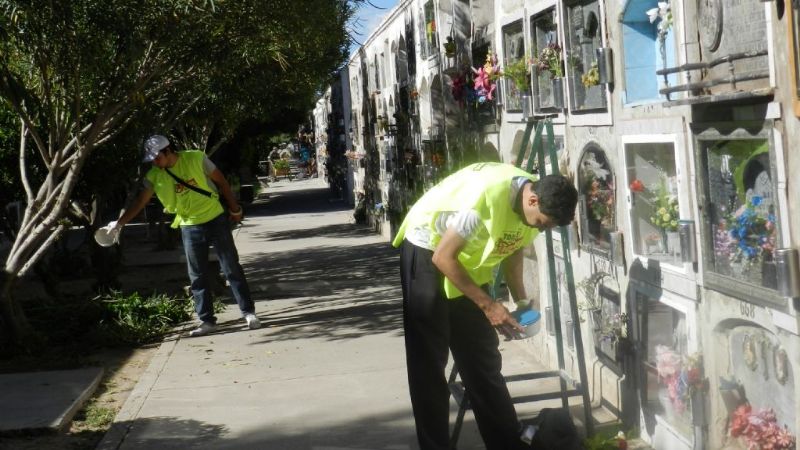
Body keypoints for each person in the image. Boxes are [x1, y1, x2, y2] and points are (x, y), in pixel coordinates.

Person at [391, 162, 578, 450]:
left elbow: (514, 244)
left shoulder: (534, 203)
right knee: (429, 364)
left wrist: (521, 300)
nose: (541, 228)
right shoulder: (484, 198)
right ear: (532, 200)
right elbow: (443, 258)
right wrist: (489, 305)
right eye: (542, 222)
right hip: (428, 249)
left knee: (482, 360)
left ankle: (506, 443)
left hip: (465, 262)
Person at [103, 135, 261, 337]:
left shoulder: (195, 158)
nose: (154, 162)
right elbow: (140, 202)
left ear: (168, 151)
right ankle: (206, 321)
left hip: (215, 218)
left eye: (157, 157)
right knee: (197, 275)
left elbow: (221, 182)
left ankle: (248, 312)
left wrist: (234, 208)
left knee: (231, 267)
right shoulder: (154, 175)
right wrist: (119, 224)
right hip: (189, 226)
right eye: (151, 159)